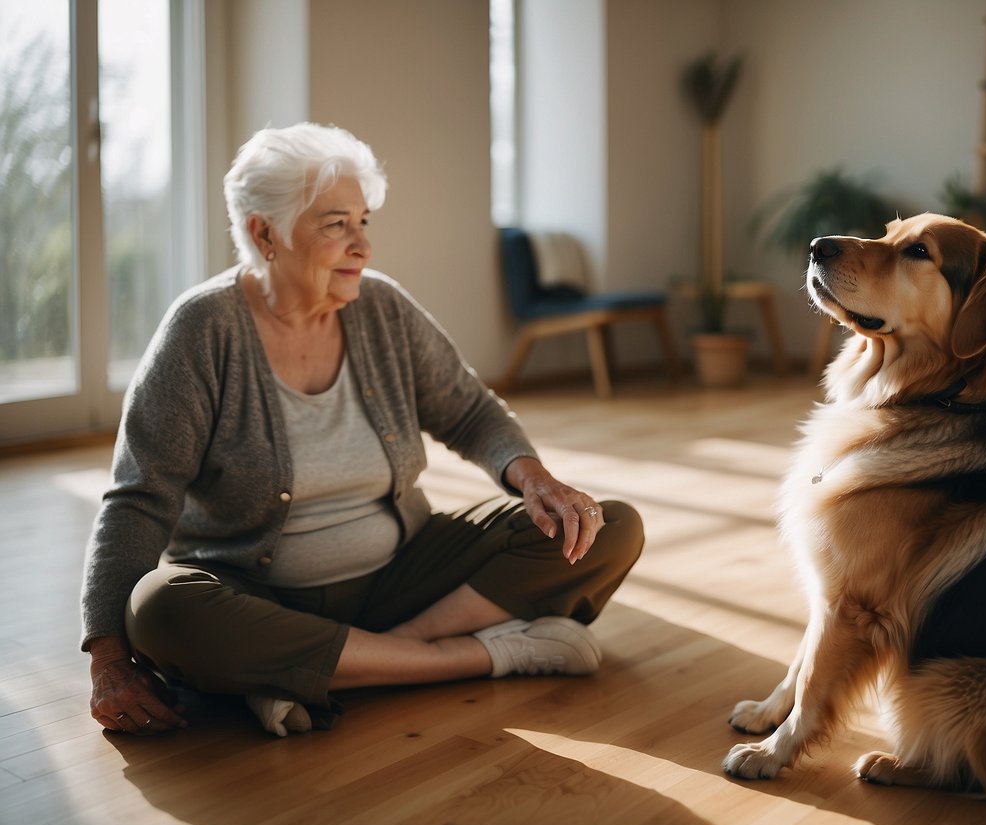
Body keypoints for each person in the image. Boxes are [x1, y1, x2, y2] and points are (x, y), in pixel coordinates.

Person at [81, 122, 644, 737]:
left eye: (363, 222)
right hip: (258, 594)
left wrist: (533, 477)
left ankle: (317, 668)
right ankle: (481, 655)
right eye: (335, 225)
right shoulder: (202, 328)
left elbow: (469, 409)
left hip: (400, 576)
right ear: (263, 234)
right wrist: (108, 658)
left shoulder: (382, 306)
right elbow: (139, 498)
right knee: (159, 609)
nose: (363, 247)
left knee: (607, 525)